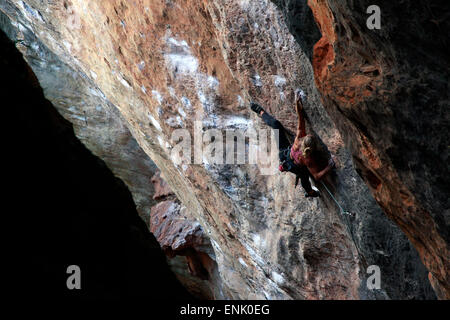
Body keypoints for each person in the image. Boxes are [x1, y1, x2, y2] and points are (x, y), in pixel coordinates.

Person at [250, 90, 334, 197]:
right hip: (289, 160)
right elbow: (317, 176)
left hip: (285, 155)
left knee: (276, 125)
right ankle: (309, 191)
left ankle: (261, 112)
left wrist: (297, 104)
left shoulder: (299, 140)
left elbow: (301, 120)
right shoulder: (308, 159)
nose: (307, 135)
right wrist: (330, 166)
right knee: (304, 175)